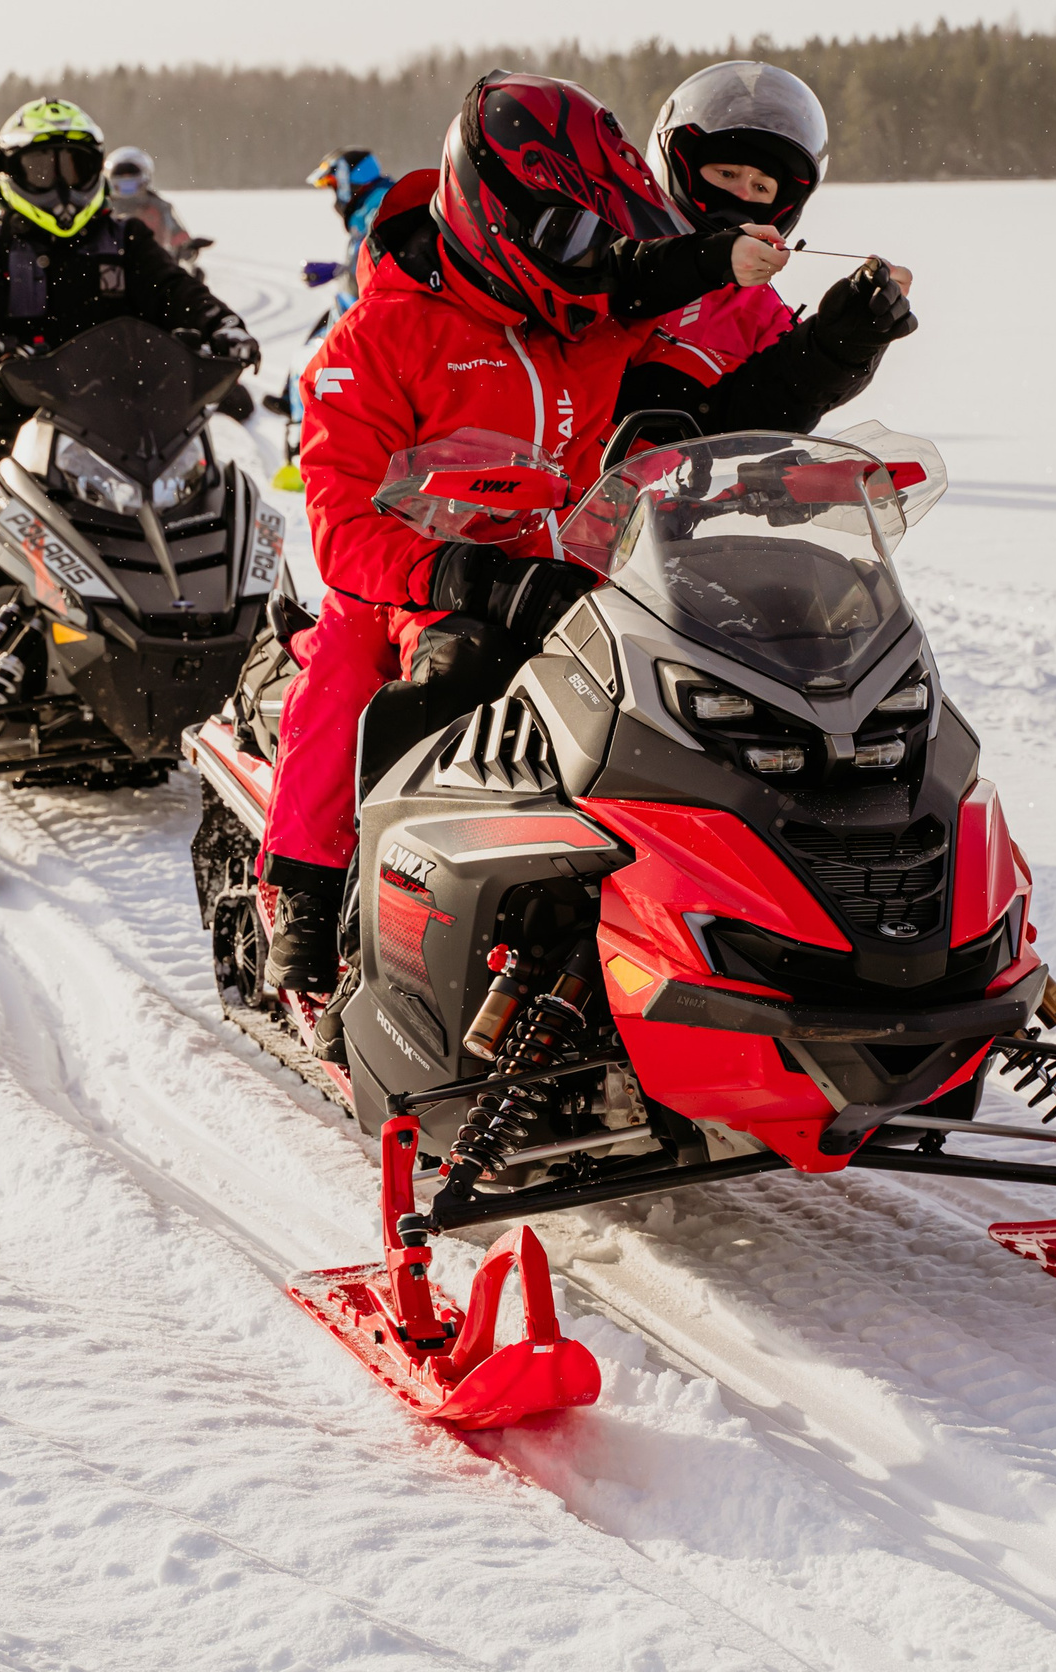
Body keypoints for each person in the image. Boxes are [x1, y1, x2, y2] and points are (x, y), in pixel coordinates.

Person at [257, 72, 789, 990]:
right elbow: (345, 531)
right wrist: (474, 579)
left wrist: (828, 336)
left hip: (579, 568)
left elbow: (693, 324)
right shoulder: (374, 341)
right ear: (496, 211)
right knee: (372, 667)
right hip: (418, 583)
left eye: (601, 237)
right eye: (575, 237)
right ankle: (315, 889)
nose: (594, 260)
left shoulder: (583, 312)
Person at [0, 98, 256, 636]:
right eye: (43, 171)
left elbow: (178, 291)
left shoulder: (127, 239)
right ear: (11, 173)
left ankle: (239, 629)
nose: (63, 188)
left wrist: (222, 325)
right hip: (20, 412)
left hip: (132, 420)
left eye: (76, 168)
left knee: (214, 496)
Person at [620, 60, 920, 434]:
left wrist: (839, 349)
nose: (742, 194)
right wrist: (706, 260)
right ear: (684, 170)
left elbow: (762, 416)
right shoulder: (615, 257)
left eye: (761, 187)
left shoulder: (763, 318)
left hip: (676, 472)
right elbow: (616, 290)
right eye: (727, 174)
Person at [308, 148, 393, 311]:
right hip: (368, 306)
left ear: (347, 181)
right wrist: (342, 270)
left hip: (380, 312)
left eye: (334, 184)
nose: (335, 192)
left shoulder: (381, 207)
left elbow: (385, 263)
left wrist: (344, 271)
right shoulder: (367, 208)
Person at [104, 145, 195, 262]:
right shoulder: (104, 208)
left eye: (132, 180)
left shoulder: (159, 207)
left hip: (156, 265)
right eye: (121, 180)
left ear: (144, 180)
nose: (127, 187)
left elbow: (178, 237)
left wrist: (188, 248)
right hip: (111, 266)